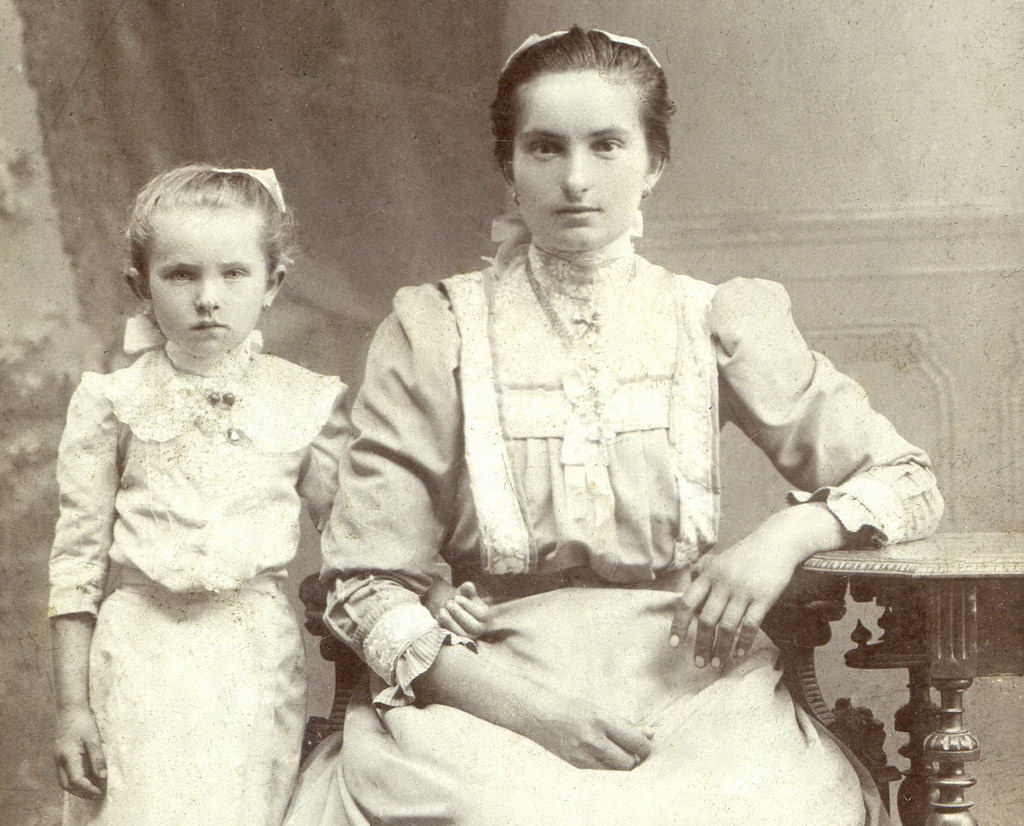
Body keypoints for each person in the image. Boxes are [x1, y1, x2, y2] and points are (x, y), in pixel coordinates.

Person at [285, 28, 943, 826]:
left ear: (653, 162)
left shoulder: (715, 320)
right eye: (543, 148)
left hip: (695, 683)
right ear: (508, 167)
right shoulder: (437, 330)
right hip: (485, 686)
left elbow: (906, 481)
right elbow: (363, 582)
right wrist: (532, 713)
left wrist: (789, 534)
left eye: (606, 146)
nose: (574, 180)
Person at [48, 165, 353, 826]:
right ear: (141, 286)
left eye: (234, 274)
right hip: (136, 659)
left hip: (251, 658)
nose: (208, 298)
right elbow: (75, 568)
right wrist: (73, 706)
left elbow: (352, 551)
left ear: (272, 284)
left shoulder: (304, 402)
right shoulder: (113, 401)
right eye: (181, 275)